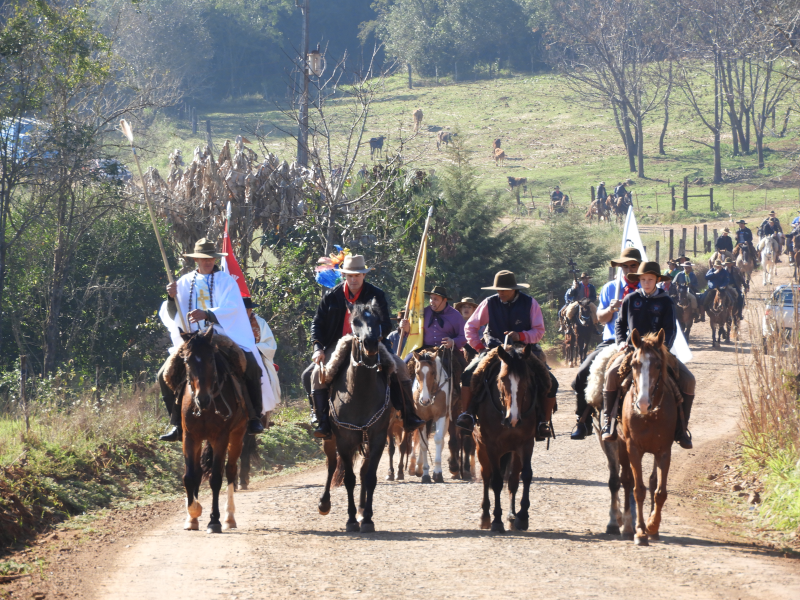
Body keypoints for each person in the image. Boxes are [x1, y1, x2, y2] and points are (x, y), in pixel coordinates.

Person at [157, 238, 273, 441]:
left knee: (252, 364)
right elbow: (172, 313)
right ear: (196, 260)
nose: (207, 261)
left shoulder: (226, 281)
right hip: (191, 339)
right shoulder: (183, 282)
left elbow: (233, 307)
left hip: (221, 336)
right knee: (163, 374)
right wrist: (170, 297)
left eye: (211, 257)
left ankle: (254, 417)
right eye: (203, 258)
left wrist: (208, 314)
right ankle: (176, 423)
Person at [304, 254, 423, 439]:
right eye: (350, 275)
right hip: (337, 344)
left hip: (371, 341)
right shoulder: (331, 296)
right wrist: (318, 348)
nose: (353, 279)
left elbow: (386, 324)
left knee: (399, 367)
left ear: (364, 276)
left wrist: (374, 336)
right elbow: (317, 324)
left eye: (357, 275)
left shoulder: (376, 294)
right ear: (344, 275)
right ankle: (321, 420)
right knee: (311, 375)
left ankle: (408, 415)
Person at [601, 261, 696, 449]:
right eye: (643, 279)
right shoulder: (629, 299)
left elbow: (670, 328)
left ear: (657, 280)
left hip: (659, 350)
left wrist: (664, 347)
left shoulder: (666, 301)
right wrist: (621, 342)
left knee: (689, 380)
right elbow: (619, 324)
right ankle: (608, 422)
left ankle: (681, 428)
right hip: (632, 349)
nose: (646, 283)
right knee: (611, 375)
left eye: (650, 279)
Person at [455, 270, 559, 440]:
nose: (500, 293)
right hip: (495, 350)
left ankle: (542, 422)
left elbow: (539, 331)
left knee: (551, 382)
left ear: (514, 289)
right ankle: (467, 414)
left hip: (523, 351)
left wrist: (521, 336)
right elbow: (470, 327)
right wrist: (480, 347)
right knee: (468, 375)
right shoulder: (489, 303)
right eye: (498, 290)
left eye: (504, 290)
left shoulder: (530, 303)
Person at [570, 248, 642, 440]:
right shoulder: (611, 287)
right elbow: (601, 318)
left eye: (633, 265)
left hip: (644, 343)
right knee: (583, 373)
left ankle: (677, 423)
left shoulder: (647, 285)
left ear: (639, 266)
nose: (628, 269)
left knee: (677, 374)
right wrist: (611, 308)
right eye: (624, 266)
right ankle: (582, 420)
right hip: (612, 341)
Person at [399, 285, 466, 359]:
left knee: (465, 369)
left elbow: (463, 336)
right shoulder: (423, 312)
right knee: (405, 363)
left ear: (444, 300)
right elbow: (413, 334)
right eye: (431, 298)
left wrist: (453, 342)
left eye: (435, 299)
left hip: (447, 352)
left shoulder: (455, 315)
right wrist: (407, 329)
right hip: (423, 350)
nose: (432, 302)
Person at [244, 297, 281, 407]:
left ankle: (263, 408)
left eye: (247, 310)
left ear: (250, 310)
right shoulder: (232, 322)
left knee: (267, 377)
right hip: (235, 356)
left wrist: (254, 349)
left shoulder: (260, 322)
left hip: (256, 357)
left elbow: (270, 344)